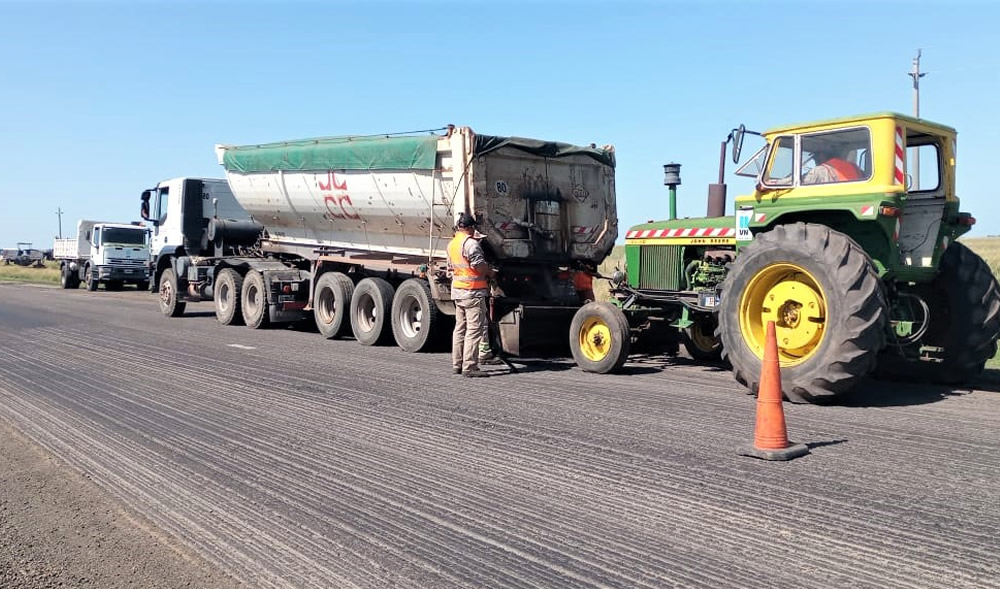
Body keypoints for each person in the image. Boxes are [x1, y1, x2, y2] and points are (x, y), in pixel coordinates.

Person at [448, 214, 496, 377]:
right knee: (474, 330)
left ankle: (457, 364)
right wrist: (490, 272)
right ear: (470, 228)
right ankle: (470, 367)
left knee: (460, 328)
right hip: (472, 292)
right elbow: (479, 267)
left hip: (458, 291)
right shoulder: (471, 245)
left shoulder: (452, 244)